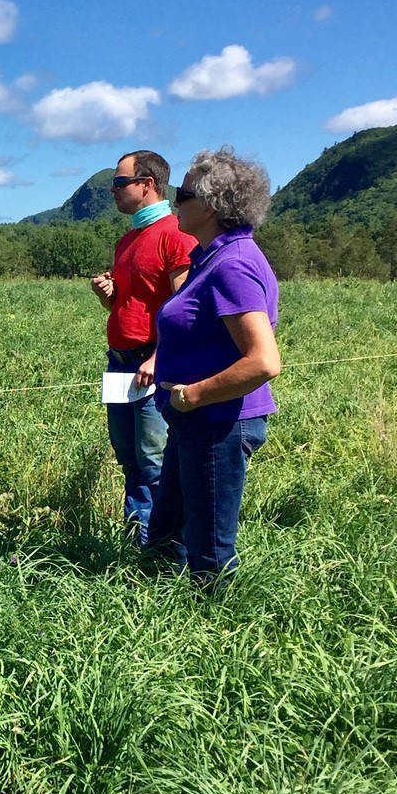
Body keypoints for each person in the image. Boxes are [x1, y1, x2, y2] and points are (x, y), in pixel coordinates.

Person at [148, 147, 281, 589]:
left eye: (181, 194)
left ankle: (216, 630)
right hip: (195, 420)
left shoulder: (233, 265)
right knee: (167, 535)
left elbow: (264, 361)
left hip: (216, 422)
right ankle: (160, 618)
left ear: (208, 206)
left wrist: (195, 395)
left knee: (209, 552)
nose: (173, 202)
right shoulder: (210, 258)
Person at [89, 150, 196, 541]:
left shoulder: (175, 235)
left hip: (152, 365)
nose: (113, 191)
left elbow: (184, 310)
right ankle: (138, 542)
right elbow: (129, 302)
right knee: (130, 459)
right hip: (119, 364)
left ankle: (160, 548)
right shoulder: (127, 241)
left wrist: (158, 357)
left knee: (153, 461)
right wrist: (109, 294)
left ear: (147, 185)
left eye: (119, 183)